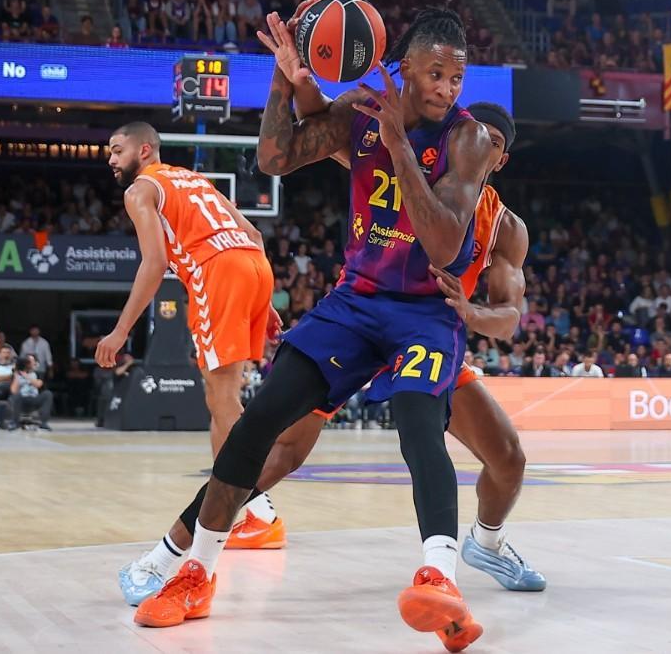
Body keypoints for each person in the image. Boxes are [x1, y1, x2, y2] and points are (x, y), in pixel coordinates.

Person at [134, 4, 494, 651]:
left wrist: (398, 143)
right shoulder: (359, 110)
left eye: (456, 78)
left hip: (424, 311)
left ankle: (440, 577)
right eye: (435, 74)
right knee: (259, 419)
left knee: (418, 423)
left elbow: (443, 246)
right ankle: (195, 572)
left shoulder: (468, 139)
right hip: (356, 302)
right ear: (402, 67)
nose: (446, 88)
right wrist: (283, 78)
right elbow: (276, 157)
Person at [119, 102, 546, 613]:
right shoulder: (410, 165)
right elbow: (333, 137)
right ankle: (163, 556)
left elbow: (509, 317)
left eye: (489, 142)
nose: (471, 145)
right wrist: (302, 86)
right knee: (280, 453)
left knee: (509, 457)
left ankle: (487, 543)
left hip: (427, 332)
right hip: (360, 323)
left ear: (498, 158)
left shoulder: (503, 226)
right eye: (466, 133)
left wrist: (473, 313)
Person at [99, 120, 285, 545]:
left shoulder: (140, 189)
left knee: (223, 399)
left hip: (216, 271)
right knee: (219, 398)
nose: (111, 159)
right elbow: (253, 233)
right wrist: (265, 302)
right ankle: (234, 512)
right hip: (255, 267)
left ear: (144, 150)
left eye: (116, 150)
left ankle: (260, 513)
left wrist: (121, 330)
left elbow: (154, 263)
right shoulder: (194, 179)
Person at [9, 354, 53, 429]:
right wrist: (17, 375)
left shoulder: (37, 373)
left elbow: (38, 384)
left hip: (34, 398)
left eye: (31, 361)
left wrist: (26, 375)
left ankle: (44, 423)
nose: (29, 363)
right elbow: (13, 391)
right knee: (16, 396)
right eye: (28, 361)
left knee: (48, 394)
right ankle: (15, 423)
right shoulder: (16, 375)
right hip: (22, 399)